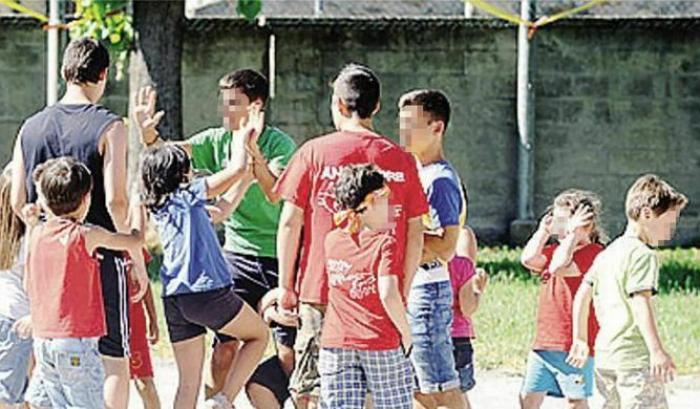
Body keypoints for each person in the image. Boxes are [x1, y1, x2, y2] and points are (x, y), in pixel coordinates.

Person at [133, 69, 297, 399]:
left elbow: (270, 193)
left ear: (256, 105)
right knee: (228, 350)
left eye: (233, 103)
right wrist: (150, 137)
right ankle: (221, 401)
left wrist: (252, 163)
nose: (224, 111)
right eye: (223, 103)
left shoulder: (280, 144)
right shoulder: (209, 154)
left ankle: (233, 399)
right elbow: (172, 157)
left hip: (277, 255)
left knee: (285, 355)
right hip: (229, 264)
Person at [273, 63, 428, 409]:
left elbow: (289, 222)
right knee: (378, 389)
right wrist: (402, 287)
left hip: (321, 288)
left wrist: (286, 286)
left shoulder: (314, 152)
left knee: (311, 390)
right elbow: (416, 232)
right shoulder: (402, 160)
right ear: (376, 107)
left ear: (340, 105)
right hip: (379, 293)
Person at [10, 37, 134, 409]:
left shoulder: (29, 127)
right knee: (114, 359)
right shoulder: (110, 126)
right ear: (104, 74)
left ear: (66, 71)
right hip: (100, 257)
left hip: (47, 264)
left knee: (50, 366)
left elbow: (18, 200)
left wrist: (44, 233)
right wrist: (134, 256)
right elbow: (116, 200)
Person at [139, 131, 269, 409]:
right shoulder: (187, 195)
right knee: (258, 335)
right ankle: (223, 400)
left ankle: (218, 400)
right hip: (207, 291)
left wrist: (248, 178)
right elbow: (232, 170)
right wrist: (241, 136)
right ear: (180, 175)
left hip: (175, 298)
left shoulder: (163, 206)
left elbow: (221, 210)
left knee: (187, 383)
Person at [23, 157, 148, 409]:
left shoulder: (35, 234)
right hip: (76, 341)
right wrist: (139, 207)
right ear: (86, 199)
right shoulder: (87, 234)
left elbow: (28, 283)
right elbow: (134, 241)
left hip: (44, 339)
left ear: (45, 200)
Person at [568, 175, 688, 409]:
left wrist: (580, 338)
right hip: (635, 360)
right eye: (668, 223)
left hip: (606, 357)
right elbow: (640, 303)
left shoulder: (607, 253)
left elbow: (583, 293)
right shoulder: (643, 254)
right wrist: (656, 351)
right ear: (646, 214)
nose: (671, 231)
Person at [318, 164, 414, 409]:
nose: (389, 207)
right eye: (386, 199)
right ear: (372, 201)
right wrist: (406, 332)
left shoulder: (332, 240)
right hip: (379, 339)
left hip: (336, 342)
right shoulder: (384, 242)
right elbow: (388, 292)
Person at [398, 89, 467, 409]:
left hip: (427, 289)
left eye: (412, 124)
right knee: (420, 388)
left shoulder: (439, 180)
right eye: (402, 124)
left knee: (439, 385)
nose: (404, 133)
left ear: (437, 128)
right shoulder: (419, 174)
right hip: (415, 287)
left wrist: (399, 239)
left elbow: (447, 244)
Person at [519, 190, 606, 409]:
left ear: (586, 225)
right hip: (545, 342)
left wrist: (574, 234)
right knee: (528, 396)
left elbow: (558, 268)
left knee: (575, 400)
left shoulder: (594, 253)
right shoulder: (556, 251)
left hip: (572, 344)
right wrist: (542, 231)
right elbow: (528, 259)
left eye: (563, 222)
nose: (558, 229)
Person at [0, 165, 32, 409]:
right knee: (11, 396)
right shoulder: (30, 238)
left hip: (5, 313)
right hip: (21, 320)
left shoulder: (5, 237)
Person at [448, 228, 488, 406]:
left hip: (427, 331)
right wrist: (477, 290)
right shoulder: (461, 233)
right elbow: (468, 304)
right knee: (456, 394)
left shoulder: (415, 236)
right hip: (457, 334)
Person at [129, 268, 161, 409]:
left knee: (143, 380)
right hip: (103, 325)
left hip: (134, 324)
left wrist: (153, 318)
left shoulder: (134, 247)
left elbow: (144, 281)